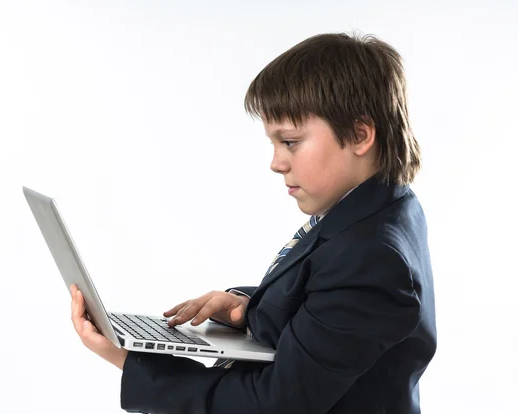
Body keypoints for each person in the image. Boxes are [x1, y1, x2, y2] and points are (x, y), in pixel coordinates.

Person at [69, 32, 437, 414]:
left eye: (290, 142)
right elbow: (323, 295)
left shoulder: (373, 256)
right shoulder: (377, 208)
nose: (276, 163)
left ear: (360, 135)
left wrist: (130, 362)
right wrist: (248, 309)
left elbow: (272, 404)